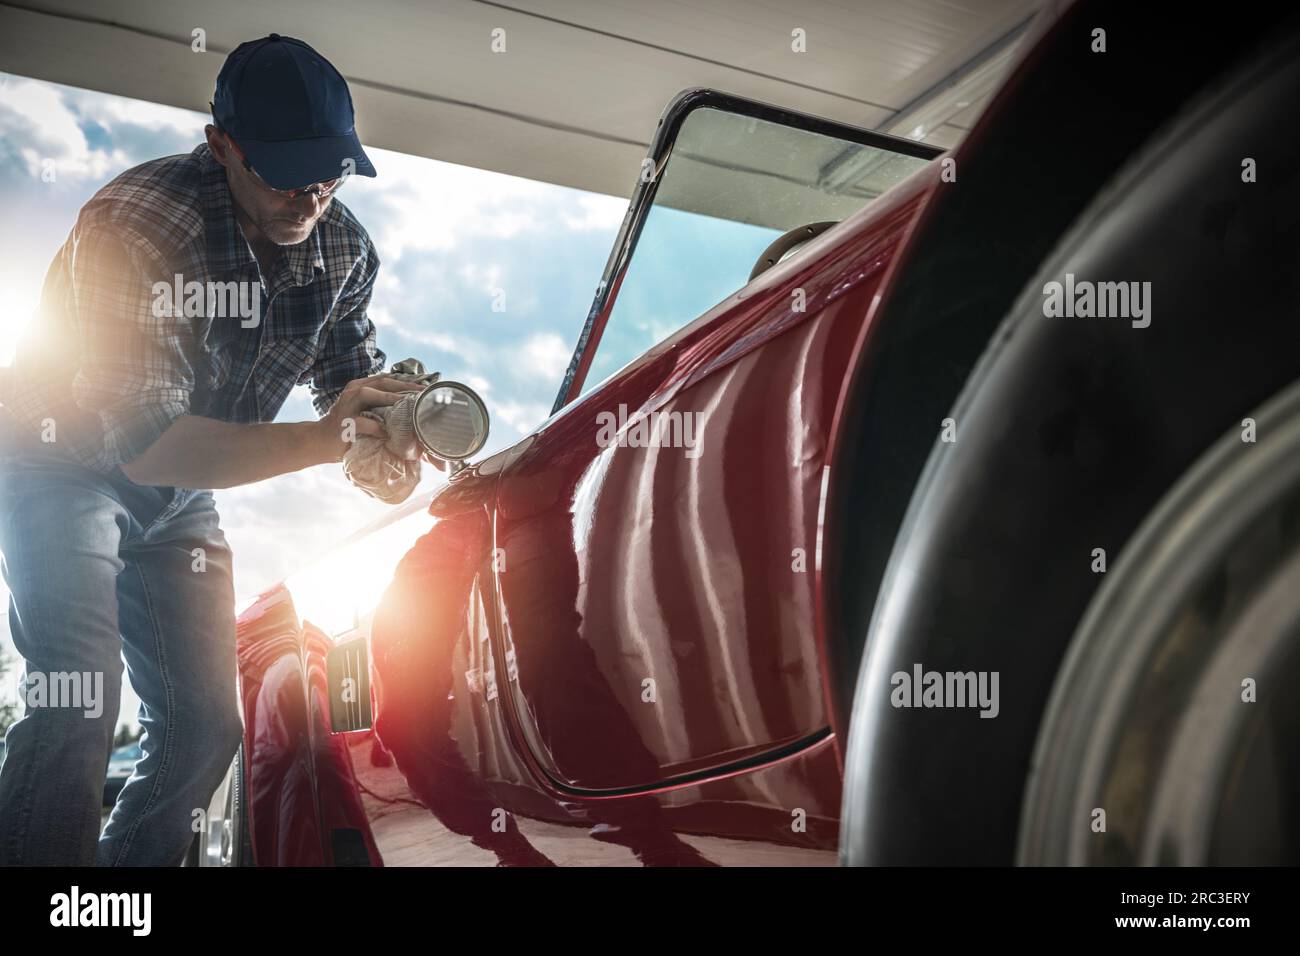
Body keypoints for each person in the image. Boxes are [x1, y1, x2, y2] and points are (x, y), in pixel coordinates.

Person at [0, 34, 421, 865]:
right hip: (58, 462)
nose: (310, 196)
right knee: (80, 697)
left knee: (204, 727)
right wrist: (328, 437)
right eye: (283, 172)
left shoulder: (344, 250)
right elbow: (151, 445)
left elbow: (348, 379)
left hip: (181, 491)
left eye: (330, 173)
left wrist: (383, 443)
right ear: (220, 144)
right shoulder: (136, 223)